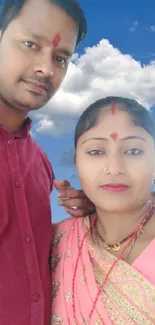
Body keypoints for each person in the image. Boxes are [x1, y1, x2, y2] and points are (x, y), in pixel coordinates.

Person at [0, 1, 93, 324]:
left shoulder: (40, 163)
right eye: (30, 44)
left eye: (60, 58)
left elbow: (23, 251)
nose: (46, 69)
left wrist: (90, 218)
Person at [52, 96, 155, 324]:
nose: (115, 168)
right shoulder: (56, 242)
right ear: (76, 162)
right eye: (96, 152)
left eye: (134, 151)